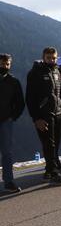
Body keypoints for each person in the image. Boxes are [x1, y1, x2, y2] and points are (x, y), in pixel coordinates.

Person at [26, 47, 61, 186]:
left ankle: (48, 171)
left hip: (58, 112)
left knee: (55, 143)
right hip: (44, 114)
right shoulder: (35, 73)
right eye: (48, 58)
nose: (51, 60)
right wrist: (36, 118)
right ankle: (53, 173)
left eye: (53, 58)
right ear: (43, 57)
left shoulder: (56, 71)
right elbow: (30, 97)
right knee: (49, 144)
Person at [0, 53, 25, 193]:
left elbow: (20, 103)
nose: (4, 66)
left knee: (7, 153)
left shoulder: (14, 82)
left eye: (7, 64)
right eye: (2, 63)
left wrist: (12, 117)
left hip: (6, 122)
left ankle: (9, 182)